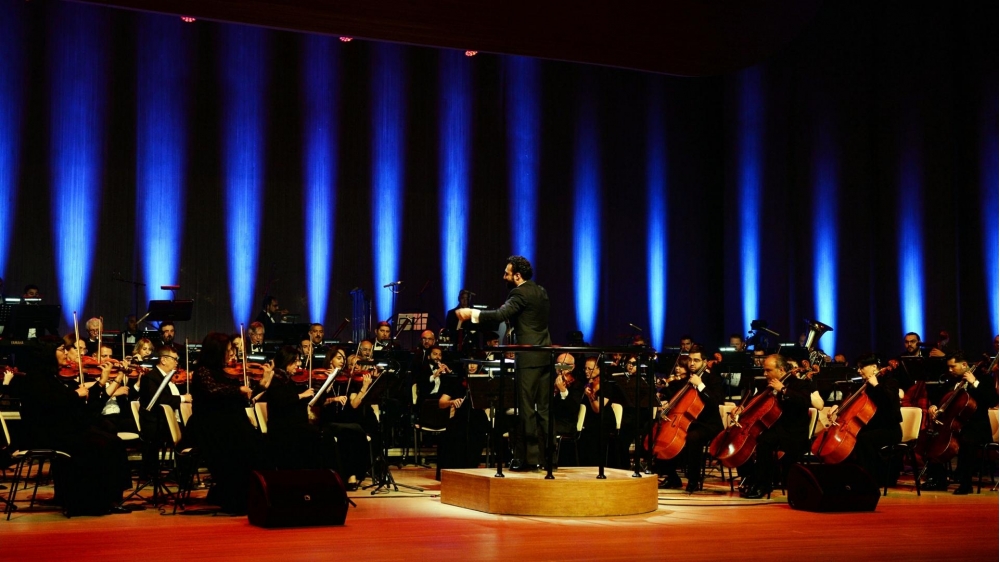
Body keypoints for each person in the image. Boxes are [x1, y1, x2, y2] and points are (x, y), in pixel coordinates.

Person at [455, 255, 551, 472]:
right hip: (545, 354)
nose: (503, 276)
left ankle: (529, 459)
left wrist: (472, 313)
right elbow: (529, 319)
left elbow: (499, 315)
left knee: (526, 409)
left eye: (507, 273)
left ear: (517, 276)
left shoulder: (518, 292)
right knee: (544, 409)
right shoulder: (541, 291)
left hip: (528, 357)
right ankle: (549, 458)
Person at [18, 337, 131, 515]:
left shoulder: (52, 378)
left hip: (61, 430)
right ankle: (91, 503)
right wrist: (75, 395)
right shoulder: (36, 378)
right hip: (46, 434)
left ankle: (108, 498)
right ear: (48, 354)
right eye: (61, 349)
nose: (65, 353)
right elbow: (50, 405)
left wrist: (100, 383)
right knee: (101, 444)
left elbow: (80, 408)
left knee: (111, 440)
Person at [186, 332, 266, 514]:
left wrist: (259, 386)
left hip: (223, 423)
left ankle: (249, 495)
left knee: (255, 443)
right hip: (207, 426)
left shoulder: (222, 372)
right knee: (238, 446)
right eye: (228, 350)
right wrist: (238, 390)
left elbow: (236, 399)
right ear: (216, 351)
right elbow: (214, 391)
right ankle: (234, 497)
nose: (232, 354)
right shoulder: (202, 372)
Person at [923, 351, 998, 494]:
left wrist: (974, 383)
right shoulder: (952, 381)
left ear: (964, 364)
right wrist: (934, 406)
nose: (950, 370)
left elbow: (992, 400)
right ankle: (938, 479)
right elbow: (940, 397)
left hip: (976, 427)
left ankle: (966, 484)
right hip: (955, 425)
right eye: (949, 367)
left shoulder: (983, 378)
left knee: (966, 440)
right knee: (932, 438)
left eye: (953, 366)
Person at [739, 355, 812, 498]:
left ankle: (763, 485)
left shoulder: (800, 384)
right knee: (746, 440)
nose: (764, 373)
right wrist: (742, 408)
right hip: (774, 429)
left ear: (781, 370)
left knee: (764, 442)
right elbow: (754, 403)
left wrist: (783, 389)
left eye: (768, 370)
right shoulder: (765, 385)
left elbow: (804, 402)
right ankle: (749, 478)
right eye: (764, 370)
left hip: (793, 432)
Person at [656, 344, 725, 492]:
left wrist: (700, 385)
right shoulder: (686, 379)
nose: (692, 363)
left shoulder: (712, 378)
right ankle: (672, 476)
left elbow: (716, 401)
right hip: (689, 422)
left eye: (696, 360)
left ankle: (694, 480)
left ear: (704, 362)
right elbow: (674, 396)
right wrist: (666, 404)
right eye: (690, 360)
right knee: (659, 433)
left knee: (693, 437)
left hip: (708, 424)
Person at [827, 353, 901, 485]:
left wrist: (876, 385)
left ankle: (869, 479)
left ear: (874, 367)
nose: (859, 370)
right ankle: (846, 478)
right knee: (854, 438)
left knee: (863, 439)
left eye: (862, 367)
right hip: (871, 428)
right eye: (858, 367)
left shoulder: (890, 382)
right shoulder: (864, 386)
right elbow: (850, 400)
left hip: (889, 429)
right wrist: (837, 407)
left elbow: (888, 403)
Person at [258, 345, 319, 469]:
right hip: (282, 428)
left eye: (299, 361)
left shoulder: (289, 379)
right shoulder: (275, 379)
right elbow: (281, 401)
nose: (298, 364)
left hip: (293, 426)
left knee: (317, 433)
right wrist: (301, 396)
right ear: (286, 361)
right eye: (295, 361)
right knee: (313, 435)